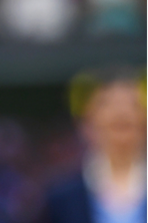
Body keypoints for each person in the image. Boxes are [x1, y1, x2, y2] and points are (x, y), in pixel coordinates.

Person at [38, 75, 147, 223]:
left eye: (133, 104)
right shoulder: (61, 196)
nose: (121, 112)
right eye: (107, 103)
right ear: (88, 122)